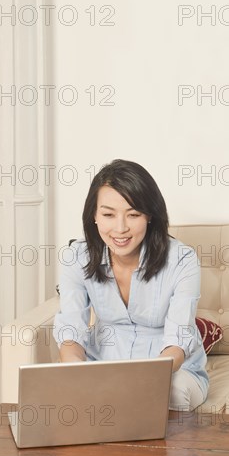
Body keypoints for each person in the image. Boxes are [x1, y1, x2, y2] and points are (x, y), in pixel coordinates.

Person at [53, 159, 208, 411]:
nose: (120, 228)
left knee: (172, 394)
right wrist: (75, 376)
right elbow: (71, 331)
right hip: (103, 361)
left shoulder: (182, 260)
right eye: (108, 214)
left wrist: (140, 383)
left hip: (168, 367)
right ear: (94, 215)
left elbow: (178, 342)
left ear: (149, 216)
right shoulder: (76, 257)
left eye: (133, 214)